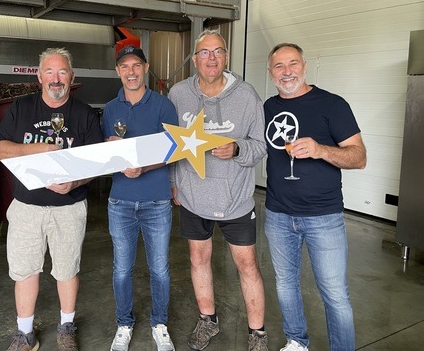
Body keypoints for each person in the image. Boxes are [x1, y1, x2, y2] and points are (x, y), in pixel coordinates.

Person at [0, 47, 103, 351]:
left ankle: (66, 326)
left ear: (72, 77)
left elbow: (96, 163)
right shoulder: (21, 108)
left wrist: (75, 182)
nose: (56, 79)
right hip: (27, 207)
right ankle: (25, 333)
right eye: (50, 72)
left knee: (67, 269)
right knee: (25, 270)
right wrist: (37, 149)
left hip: (69, 208)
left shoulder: (84, 114)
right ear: (39, 76)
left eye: (62, 72)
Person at [168, 29, 269, 351]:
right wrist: (174, 185)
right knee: (199, 259)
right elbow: (170, 145)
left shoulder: (247, 95)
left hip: (235, 199)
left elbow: (261, 146)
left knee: (247, 264)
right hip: (192, 195)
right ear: (194, 59)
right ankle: (207, 320)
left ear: (226, 57)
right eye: (204, 53)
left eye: (217, 52)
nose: (211, 58)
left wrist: (238, 149)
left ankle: (258, 334)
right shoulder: (179, 93)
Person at [264, 43, 366, 351]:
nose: (287, 71)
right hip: (278, 214)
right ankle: (297, 340)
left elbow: (359, 157)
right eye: (279, 66)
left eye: (292, 63)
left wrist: (321, 150)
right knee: (285, 285)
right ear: (271, 73)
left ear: (305, 66)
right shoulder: (267, 107)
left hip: (324, 216)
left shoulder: (332, 105)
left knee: (335, 293)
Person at [102, 46, 179, 351]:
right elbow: (105, 156)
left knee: (159, 268)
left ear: (146, 67)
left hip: (156, 200)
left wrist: (144, 166)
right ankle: (124, 323)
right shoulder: (110, 108)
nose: (131, 71)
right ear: (117, 71)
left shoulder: (163, 105)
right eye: (124, 66)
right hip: (120, 200)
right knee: (122, 269)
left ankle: (159, 323)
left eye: (136, 65)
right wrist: (109, 150)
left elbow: (174, 149)